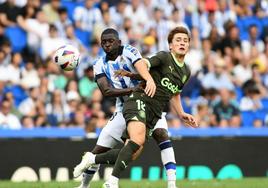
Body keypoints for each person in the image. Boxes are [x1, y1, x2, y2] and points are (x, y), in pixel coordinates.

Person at [74, 27, 198, 188]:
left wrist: (181, 113)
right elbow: (106, 90)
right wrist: (137, 86)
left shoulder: (129, 51)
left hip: (152, 104)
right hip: (127, 105)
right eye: (104, 42)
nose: (107, 45)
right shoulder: (98, 64)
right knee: (101, 148)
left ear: (119, 42)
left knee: (154, 139)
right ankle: (85, 185)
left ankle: (171, 184)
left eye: (111, 41)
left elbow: (146, 69)